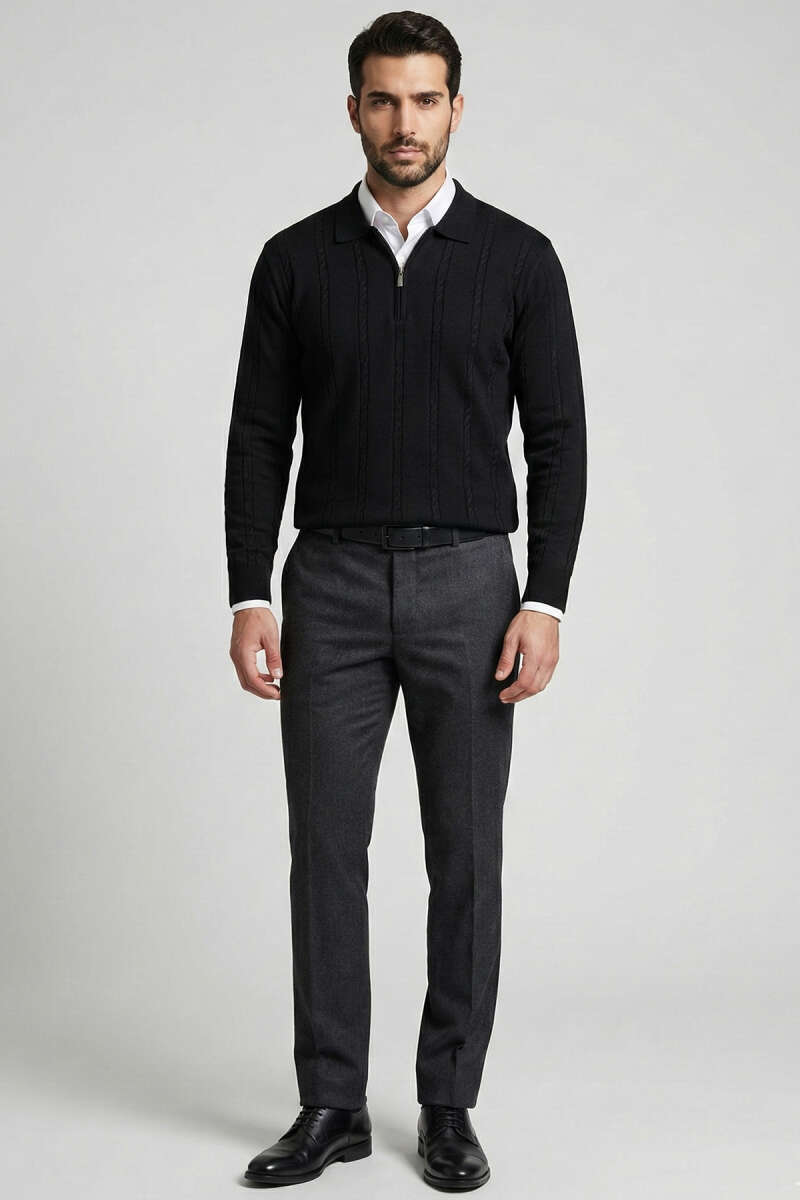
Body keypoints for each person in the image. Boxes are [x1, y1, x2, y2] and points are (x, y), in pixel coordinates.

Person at [224, 11, 587, 1191]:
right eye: (382, 99)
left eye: (424, 99)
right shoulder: (295, 260)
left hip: (470, 584)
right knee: (324, 851)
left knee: (464, 853)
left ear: (455, 110)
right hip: (326, 582)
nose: (403, 122)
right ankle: (330, 1101)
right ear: (352, 110)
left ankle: (446, 1103)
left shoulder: (516, 259)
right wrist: (246, 592)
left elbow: (559, 441)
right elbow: (256, 436)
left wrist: (545, 601)